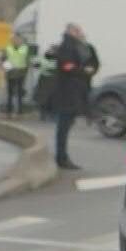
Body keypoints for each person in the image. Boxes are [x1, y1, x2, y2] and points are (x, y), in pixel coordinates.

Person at [47, 23, 99, 171]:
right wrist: (84, 71)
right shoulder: (67, 46)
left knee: (67, 124)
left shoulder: (84, 47)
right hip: (67, 92)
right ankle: (61, 157)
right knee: (63, 125)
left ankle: (62, 156)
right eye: (77, 30)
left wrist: (89, 70)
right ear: (70, 31)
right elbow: (67, 66)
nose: (80, 32)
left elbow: (93, 63)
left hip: (77, 90)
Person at [2, 33, 31, 118]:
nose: (16, 40)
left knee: (19, 92)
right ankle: (9, 111)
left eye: (18, 39)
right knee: (10, 93)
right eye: (15, 39)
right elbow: (4, 59)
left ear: (21, 40)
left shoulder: (25, 48)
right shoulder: (8, 47)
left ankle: (19, 112)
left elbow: (27, 60)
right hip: (10, 73)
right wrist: (9, 69)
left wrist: (25, 71)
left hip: (21, 73)